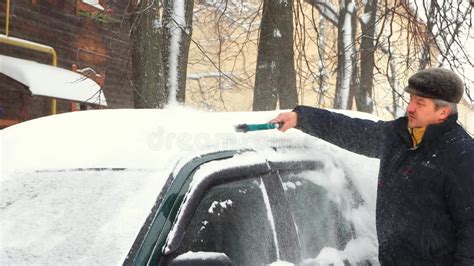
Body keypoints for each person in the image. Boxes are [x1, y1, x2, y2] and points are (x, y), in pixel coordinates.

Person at [272, 68, 474, 265]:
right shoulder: (400, 137)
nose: (410, 108)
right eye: (411, 99)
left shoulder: (463, 156)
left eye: (420, 103)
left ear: (443, 112)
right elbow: (352, 131)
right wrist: (301, 118)